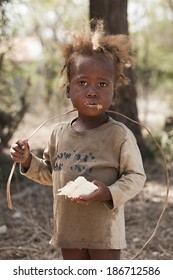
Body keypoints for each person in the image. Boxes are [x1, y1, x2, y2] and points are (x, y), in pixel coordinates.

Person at [10, 20, 146, 260]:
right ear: (68, 89)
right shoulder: (58, 134)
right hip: (68, 231)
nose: (92, 91)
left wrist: (109, 193)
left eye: (102, 84)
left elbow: (136, 177)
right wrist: (27, 160)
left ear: (113, 92)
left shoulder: (119, 135)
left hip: (104, 233)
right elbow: (53, 175)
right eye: (83, 83)